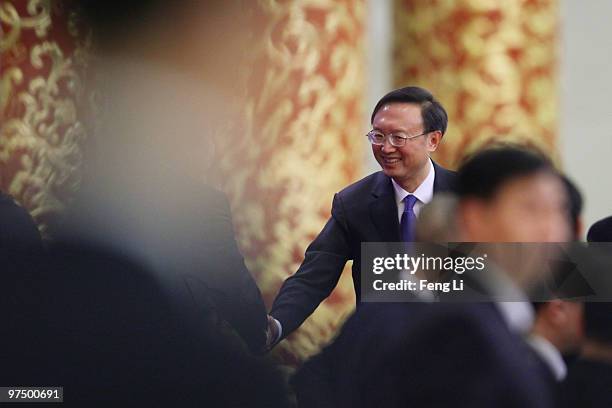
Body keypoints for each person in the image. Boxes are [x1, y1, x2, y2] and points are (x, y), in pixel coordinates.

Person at [292, 146, 571, 408]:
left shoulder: (503, 322)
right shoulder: (459, 330)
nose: (552, 231)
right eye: (531, 209)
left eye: (560, 211)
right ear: (474, 218)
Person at [268, 86, 456, 345]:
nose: (386, 148)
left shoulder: (469, 198)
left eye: (398, 138)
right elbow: (313, 277)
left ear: (433, 140)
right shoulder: (354, 204)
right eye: (378, 136)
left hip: (458, 350)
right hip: (383, 353)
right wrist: (276, 325)